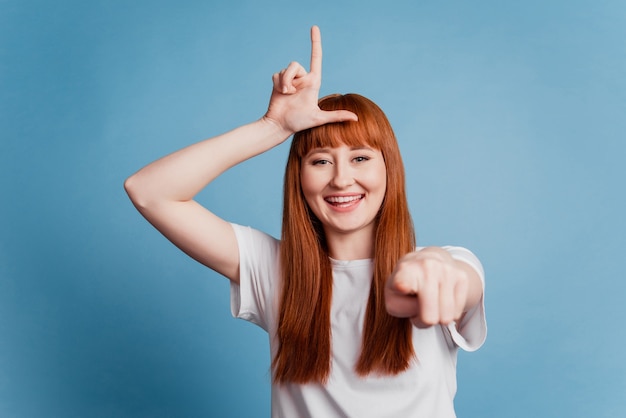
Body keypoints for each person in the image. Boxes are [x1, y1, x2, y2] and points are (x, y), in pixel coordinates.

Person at [125, 26, 486, 418]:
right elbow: (149, 191)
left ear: (390, 172)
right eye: (320, 161)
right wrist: (273, 126)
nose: (342, 178)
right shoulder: (274, 270)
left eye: (361, 158)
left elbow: (458, 280)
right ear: (299, 176)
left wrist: (434, 268)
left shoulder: (449, 263)